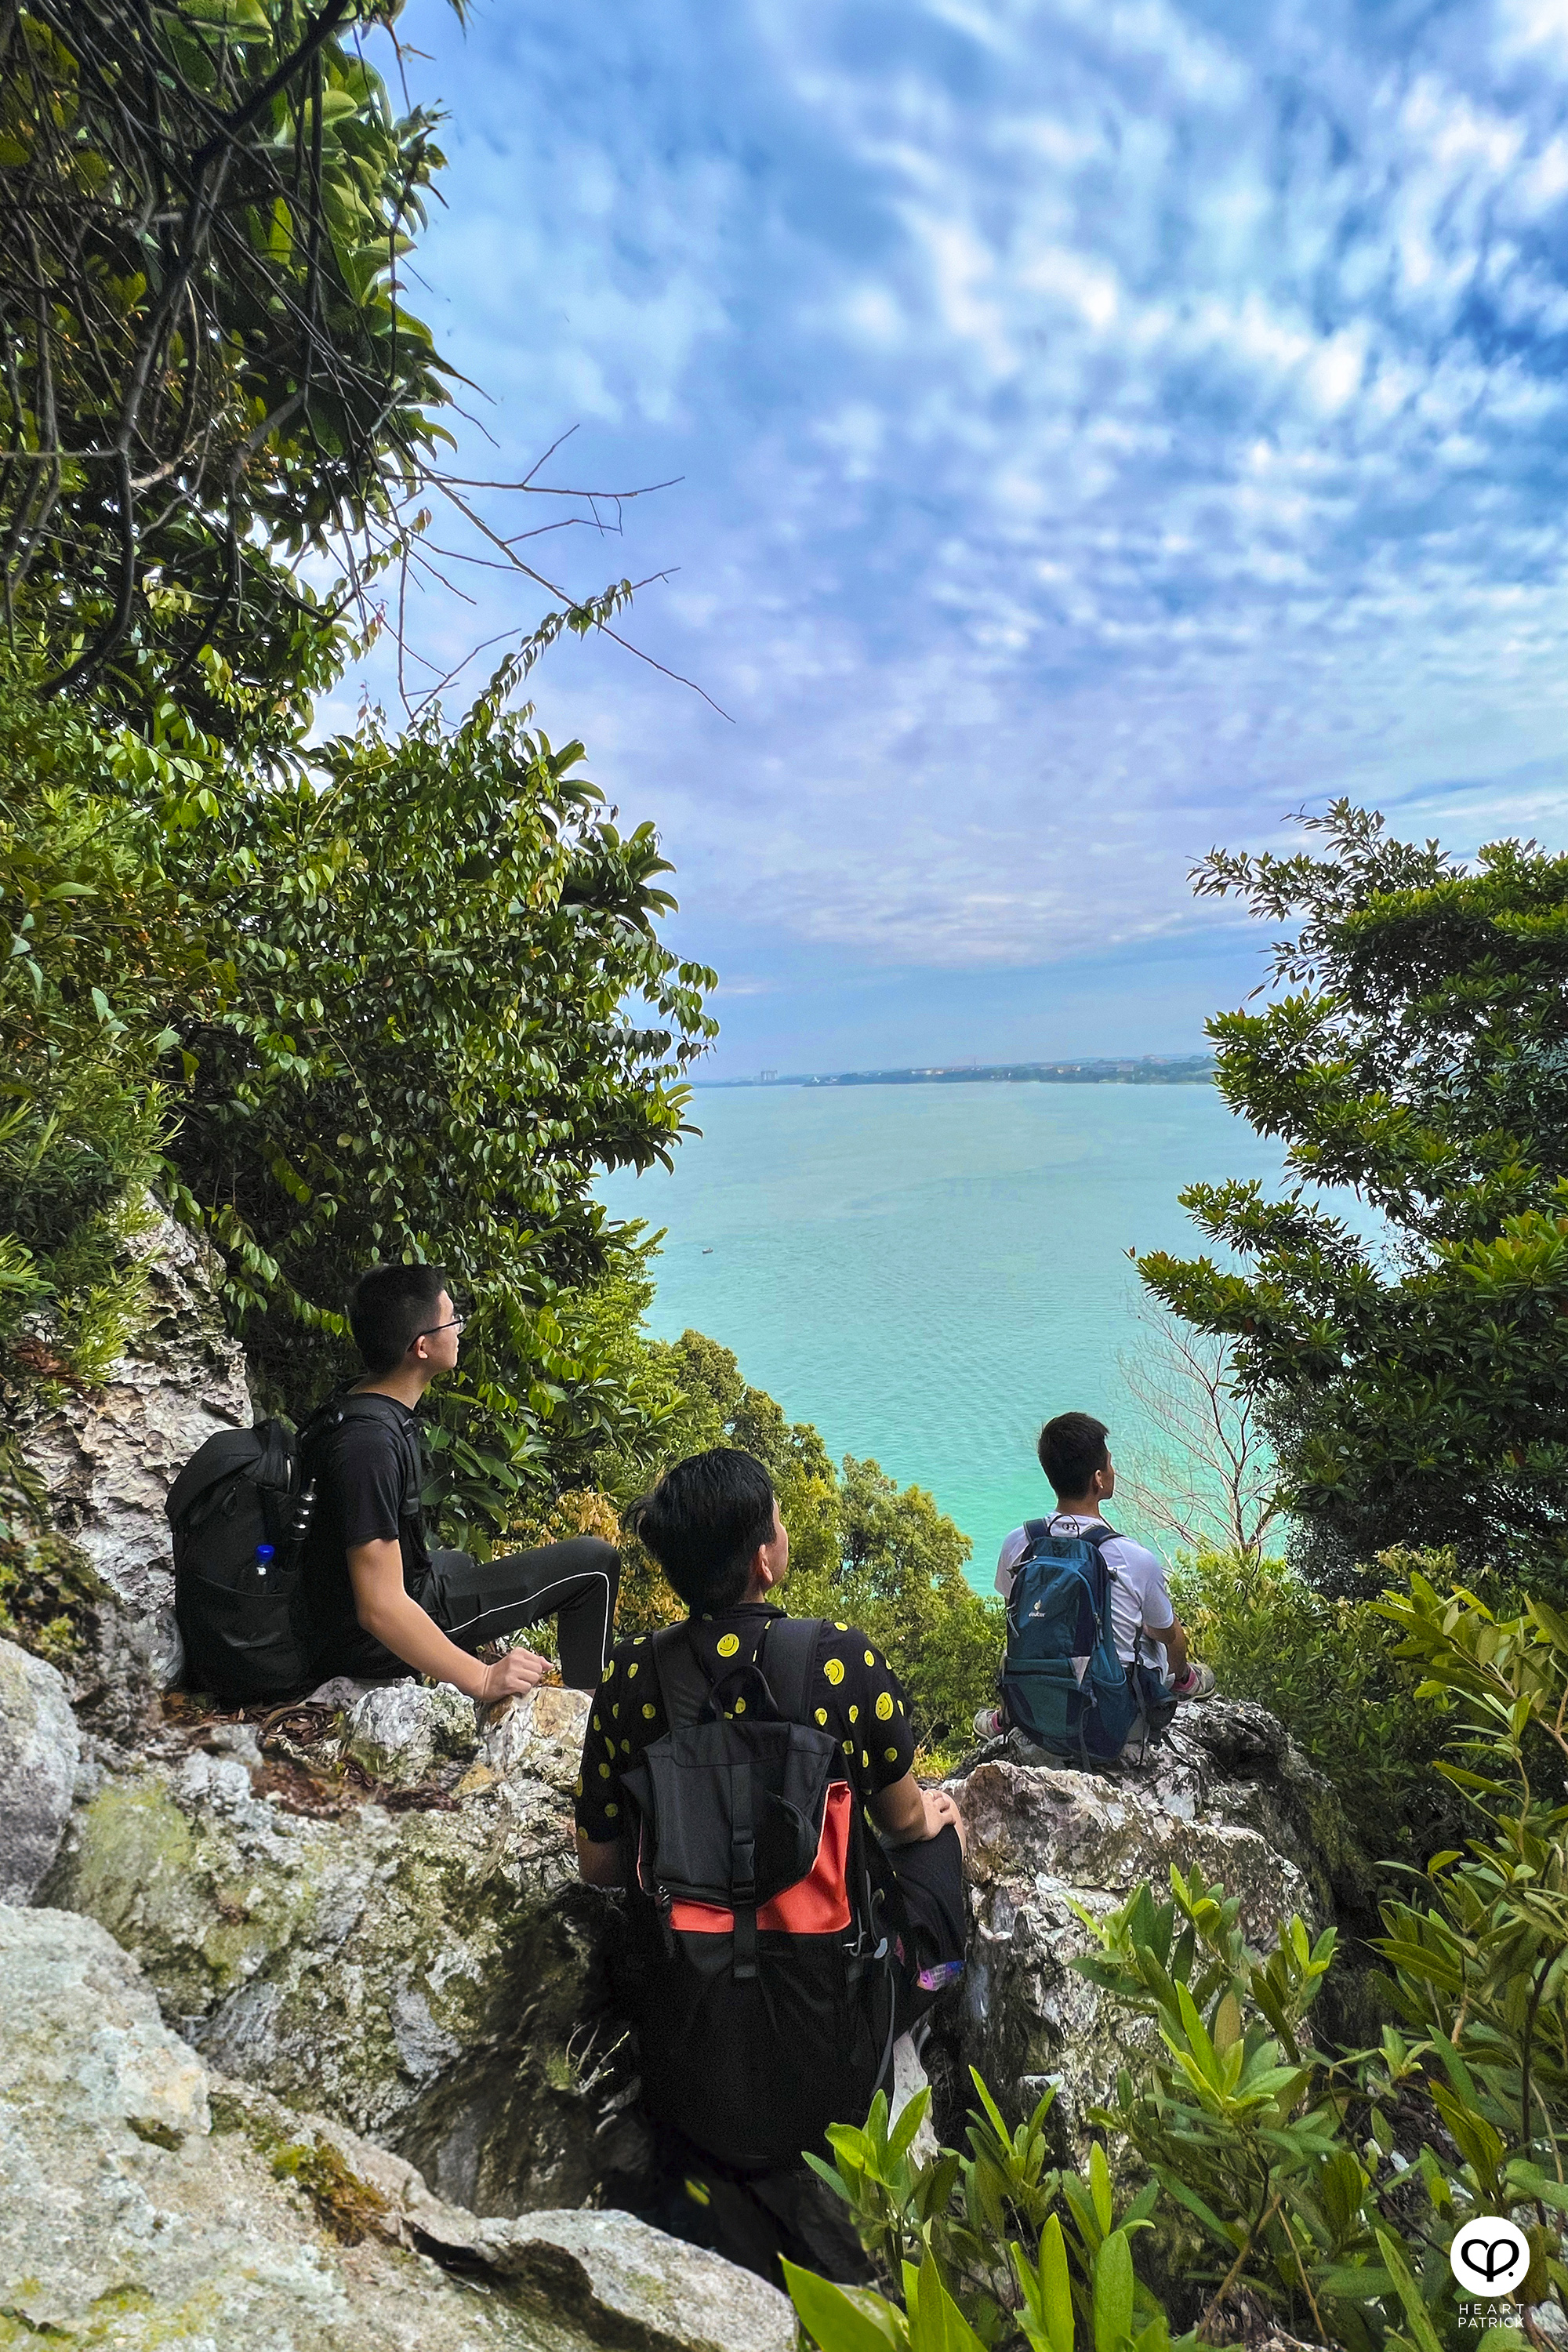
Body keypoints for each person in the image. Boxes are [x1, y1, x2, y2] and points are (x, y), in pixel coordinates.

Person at [573, 1447, 967, 2285]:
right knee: (939, 1847)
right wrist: (934, 1819)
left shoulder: (631, 1680)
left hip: (688, 2042)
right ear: (764, 1558)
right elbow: (899, 1826)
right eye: (779, 1523)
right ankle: (935, 1992)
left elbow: (601, 1867)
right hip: (836, 2046)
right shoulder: (839, 1662)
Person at [301, 1262, 620, 1702]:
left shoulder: (358, 1404)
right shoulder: (369, 1447)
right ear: (422, 1347)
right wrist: (481, 1679)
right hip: (362, 1644)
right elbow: (378, 1607)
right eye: (452, 1320)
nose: (459, 1329)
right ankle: (590, 1714)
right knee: (595, 1564)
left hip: (339, 1614)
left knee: (456, 1563)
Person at [974, 1410, 1214, 1741]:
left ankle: (1008, 1716)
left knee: (1023, 1630)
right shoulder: (1135, 1558)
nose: (1113, 1471)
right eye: (1110, 1464)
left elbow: (1015, 1622)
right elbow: (1168, 1634)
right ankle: (1186, 1682)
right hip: (1113, 1723)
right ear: (1099, 1479)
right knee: (1159, 1632)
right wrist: (1176, 1662)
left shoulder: (1019, 1542)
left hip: (1035, 1712)